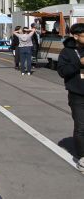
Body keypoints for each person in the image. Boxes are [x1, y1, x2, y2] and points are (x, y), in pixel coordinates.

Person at [57, 23, 84, 173]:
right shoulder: (67, 52)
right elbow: (62, 71)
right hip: (77, 95)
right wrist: (78, 63)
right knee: (81, 127)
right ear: (75, 36)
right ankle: (82, 157)